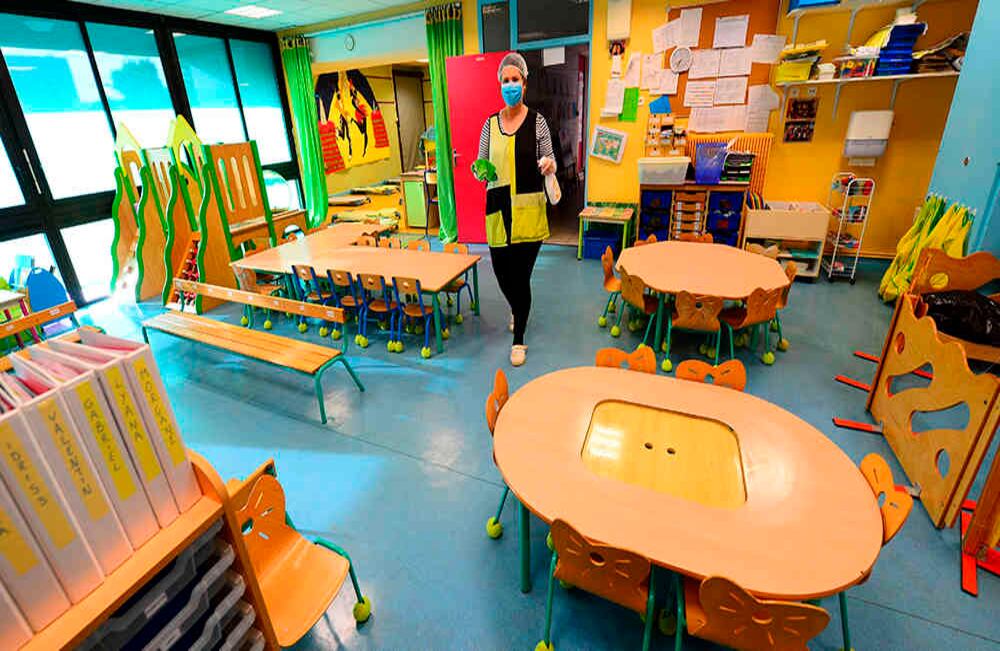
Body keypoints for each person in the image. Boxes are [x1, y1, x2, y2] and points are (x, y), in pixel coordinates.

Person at [475, 52, 557, 367]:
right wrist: (479, 170)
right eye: (505, 80)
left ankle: (519, 338)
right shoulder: (489, 124)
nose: (510, 85)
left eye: (515, 80)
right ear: (500, 84)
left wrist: (548, 164)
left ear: (524, 84)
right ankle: (518, 308)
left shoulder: (538, 122)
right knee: (501, 273)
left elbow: (550, 159)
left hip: (528, 209)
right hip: (498, 208)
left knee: (521, 278)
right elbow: (482, 161)